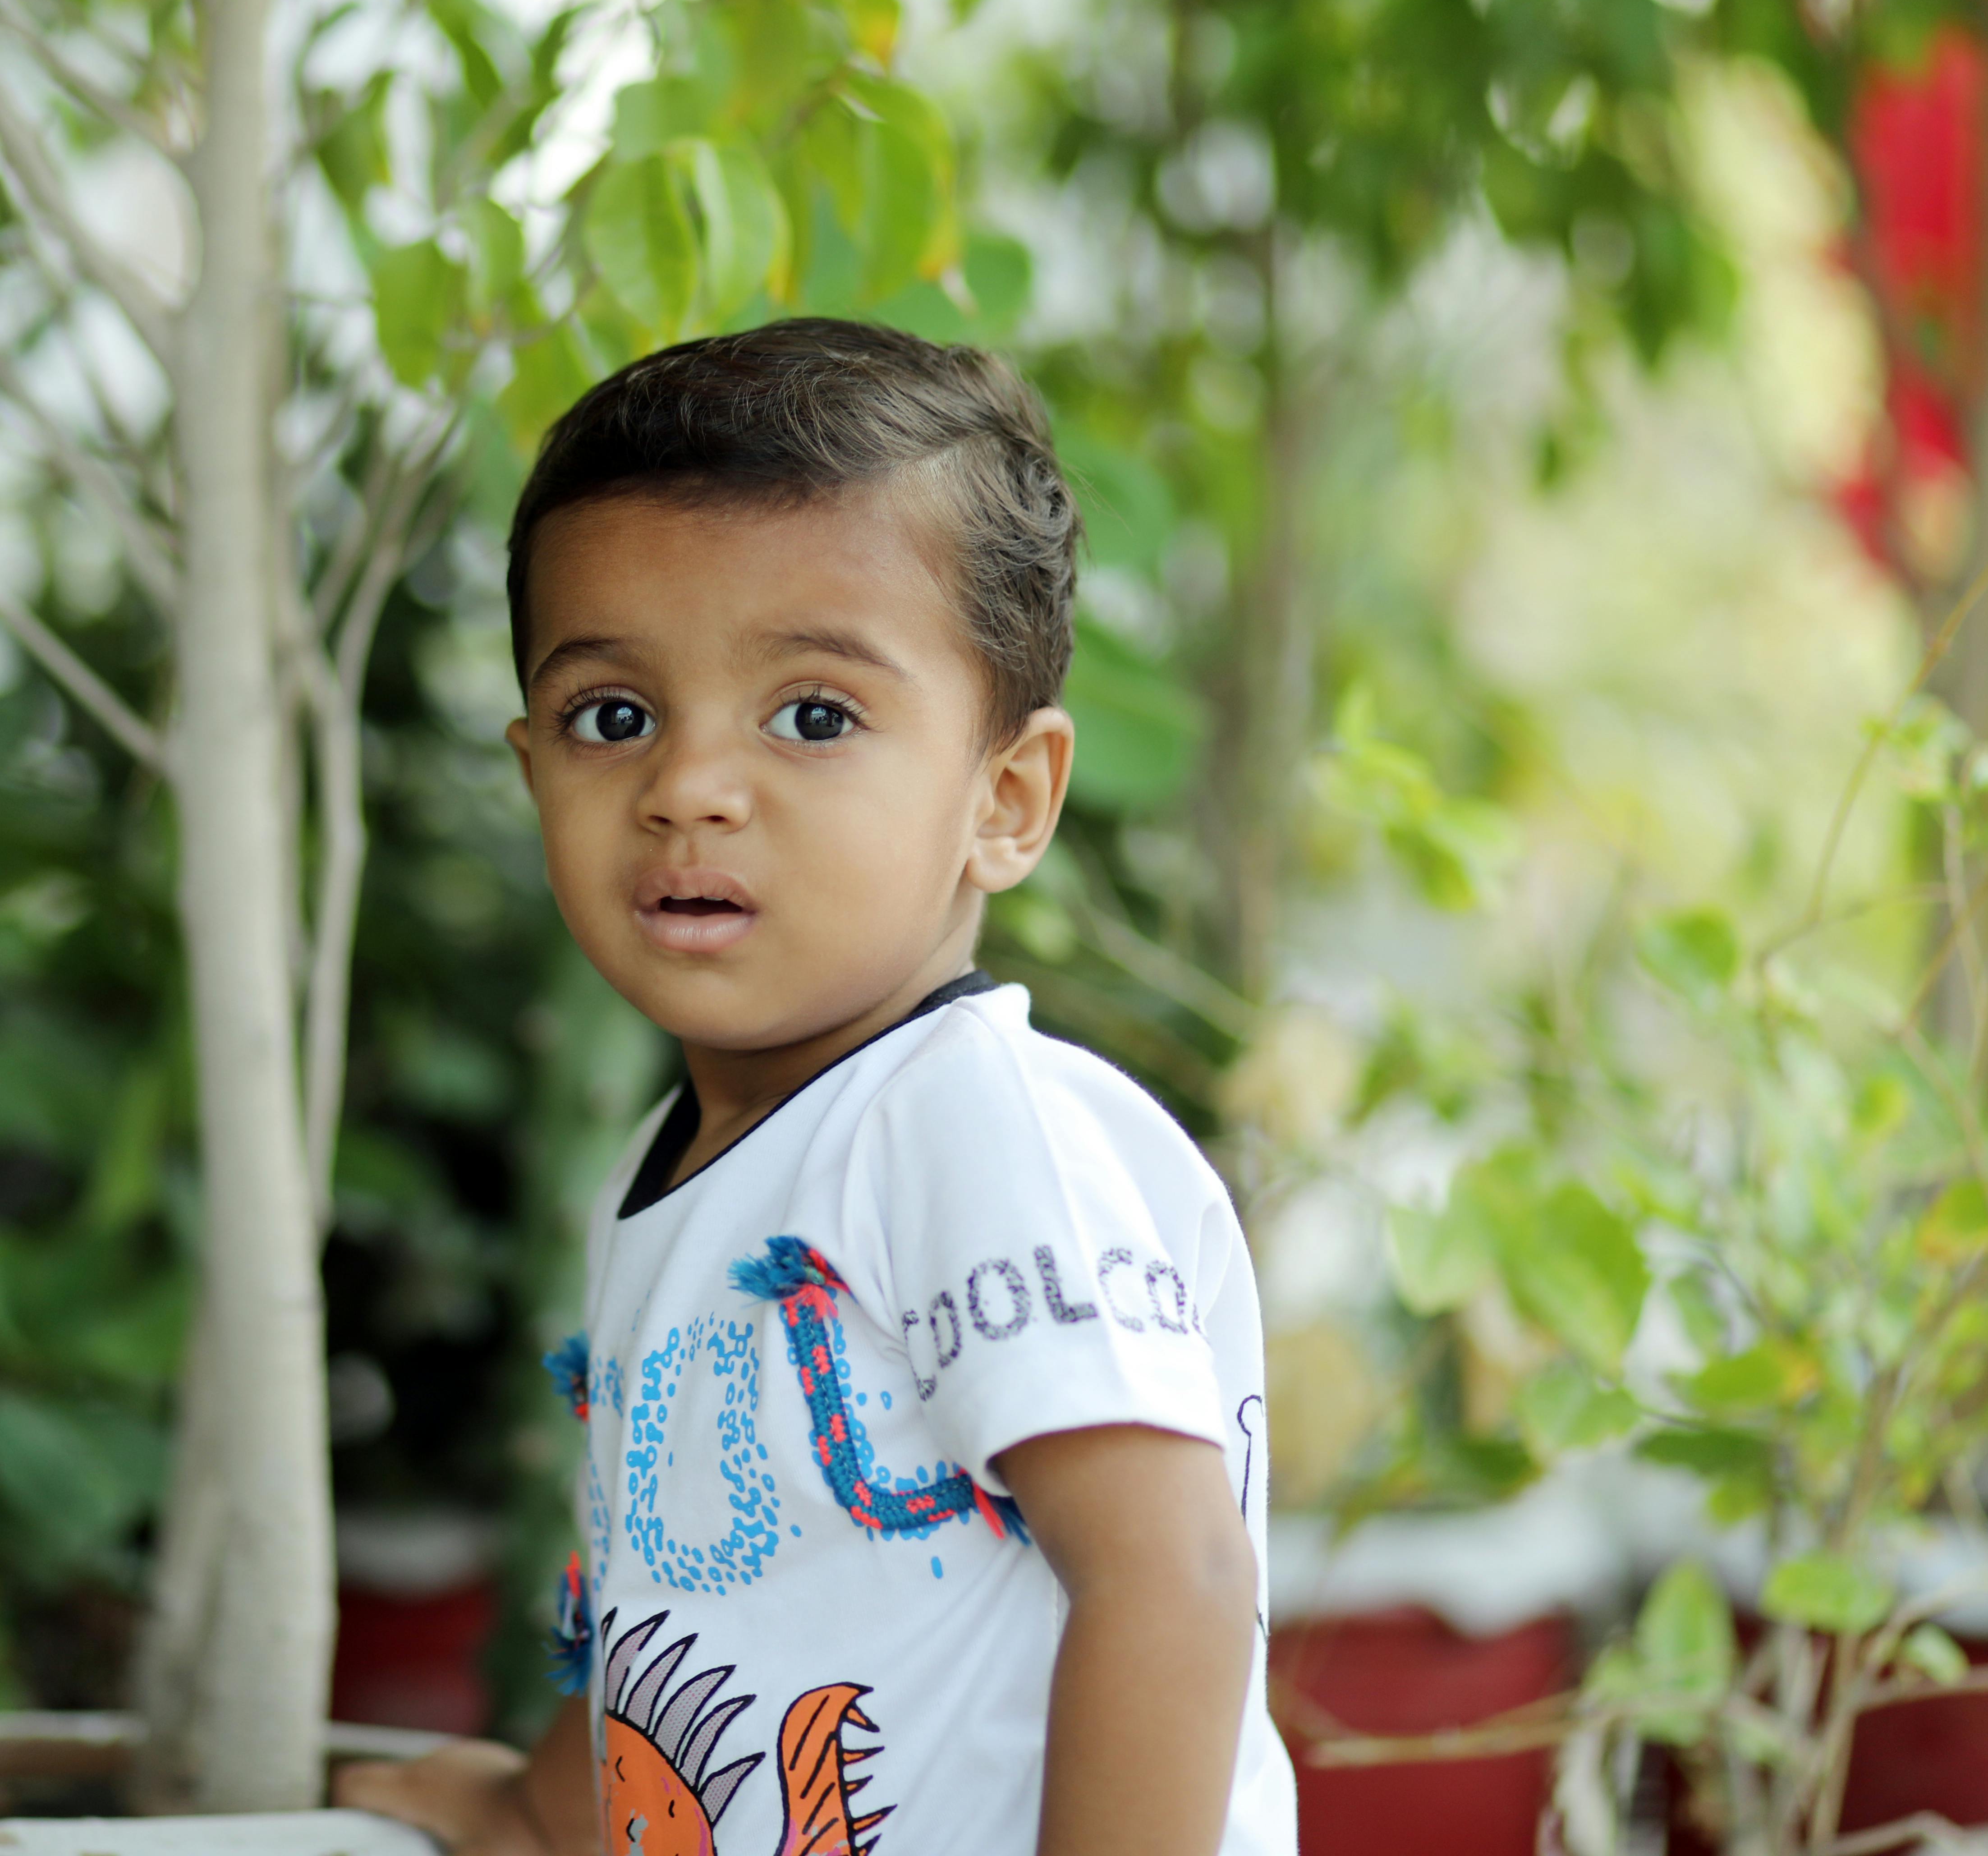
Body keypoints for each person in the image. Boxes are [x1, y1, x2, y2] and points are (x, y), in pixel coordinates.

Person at [335, 318, 1294, 1856]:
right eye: (614, 716)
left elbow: (1167, 1577)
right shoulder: (685, 1165)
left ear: (1005, 799)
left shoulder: (965, 1125)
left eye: (814, 717)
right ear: (534, 774)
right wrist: (532, 1808)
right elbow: (720, 1619)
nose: (689, 785)